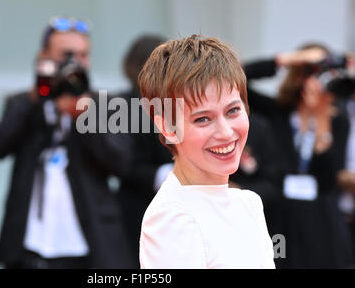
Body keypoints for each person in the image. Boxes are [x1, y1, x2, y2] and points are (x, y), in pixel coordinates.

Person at [0, 17, 133, 268]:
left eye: (83, 55)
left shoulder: (105, 104)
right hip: (30, 243)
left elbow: (121, 163)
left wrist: (84, 117)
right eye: (67, 54)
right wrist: (40, 97)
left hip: (90, 243)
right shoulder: (26, 102)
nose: (76, 62)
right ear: (44, 57)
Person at [138, 35, 275, 269]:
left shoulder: (248, 203)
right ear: (168, 128)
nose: (225, 132)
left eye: (232, 111)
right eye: (203, 119)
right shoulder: (172, 218)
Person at [243, 45, 354, 268]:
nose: (320, 81)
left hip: (320, 219)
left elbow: (329, 179)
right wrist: (285, 60)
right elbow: (236, 80)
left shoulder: (338, 120)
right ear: (299, 77)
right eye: (314, 72)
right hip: (281, 216)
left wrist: (321, 120)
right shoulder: (278, 112)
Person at [116, 35, 173, 265]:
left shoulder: (177, 100)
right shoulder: (120, 104)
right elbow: (120, 162)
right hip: (136, 207)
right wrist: (164, 173)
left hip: (174, 210)